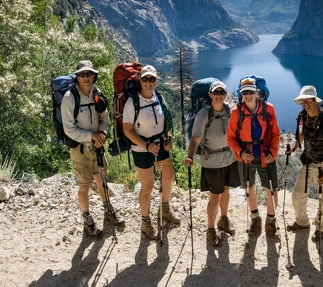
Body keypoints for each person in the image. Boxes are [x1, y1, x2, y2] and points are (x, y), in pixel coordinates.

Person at [62, 60, 125, 238]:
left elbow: (105, 118)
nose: (87, 77)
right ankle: (87, 219)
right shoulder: (69, 98)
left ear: (94, 75)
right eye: (82, 74)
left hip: (97, 146)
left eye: (89, 74)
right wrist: (91, 136)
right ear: (77, 77)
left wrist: (103, 133)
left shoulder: (97, 94)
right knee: (84, 186)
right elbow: (69, 129)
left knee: (101, 179)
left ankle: (108, 209)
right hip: (80, 149)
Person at [123, 65, 180, 240]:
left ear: (156, 81)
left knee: (168, 177)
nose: (148, 82)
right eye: (145, 79)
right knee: (147, 186)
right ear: (140, 80)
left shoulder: (159, 98)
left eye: (152, 79)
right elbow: (127, 130)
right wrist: (146, 146)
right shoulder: (132, 102)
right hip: (141, 149)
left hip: (160, 144)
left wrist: (169, 139)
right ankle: (145, 222)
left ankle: (164, 209)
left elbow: (167, 122)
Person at [182, 80, 241, 247]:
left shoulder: (228, 110)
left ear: (226, 94)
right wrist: (191, 157)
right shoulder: (203, 114)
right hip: (212, 161)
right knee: (215, 195)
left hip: (229, 158)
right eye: (216, 92)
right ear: (210, 94)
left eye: (222, 92)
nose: (219, 95)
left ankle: (223, 220)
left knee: (226, 190)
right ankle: (210, 230)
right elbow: (195, 138)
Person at [226, 77, 280, 239]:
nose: (248, 95)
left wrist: (273, 152)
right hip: (247, 156)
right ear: (241, 94)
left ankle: (271, 220)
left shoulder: (268, 109)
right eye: (245, 93)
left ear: (257, 92)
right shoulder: (237, 112)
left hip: (265, 155)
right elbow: (230, 137)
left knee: (271, 189)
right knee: (249, 189)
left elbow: (276, 134)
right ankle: (255, 218)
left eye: (251, 92)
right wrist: (240, 153)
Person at [287, 85, 323, 242]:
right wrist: (295, 148)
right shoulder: (302, 117)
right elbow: (301, 137)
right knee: (297, 196)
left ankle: (321, 228)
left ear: (315, 101)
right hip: (309, 163)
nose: (305, 104)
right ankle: (302, 223)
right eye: (302, 101)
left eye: (308, 101)